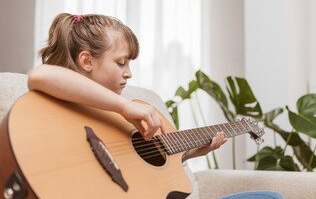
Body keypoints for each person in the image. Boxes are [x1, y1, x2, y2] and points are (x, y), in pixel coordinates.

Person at [28, 13, 285, 199]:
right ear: (86, 61)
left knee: (269, 198)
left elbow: (136, 174)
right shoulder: (69, 100)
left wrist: (188, 153)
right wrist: (125, 107)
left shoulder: (113, 118)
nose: (129, 73)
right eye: (121, 63)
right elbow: (39, 76)